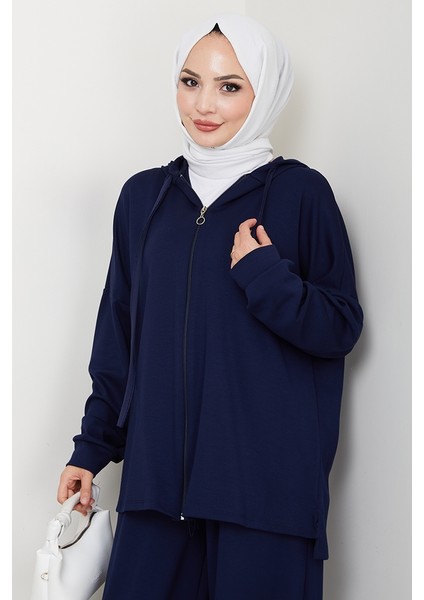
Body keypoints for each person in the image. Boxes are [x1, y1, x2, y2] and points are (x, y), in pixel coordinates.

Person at [57, 13, 363, 599]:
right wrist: (91, 450)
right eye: (190, 81)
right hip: (155, 492)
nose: (204, 104)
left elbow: (340, 327)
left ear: (264, 92)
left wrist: (264, 277)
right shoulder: (144, 198)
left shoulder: (301, 194)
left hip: (265, 499)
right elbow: (119, 335)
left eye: (229, 87)